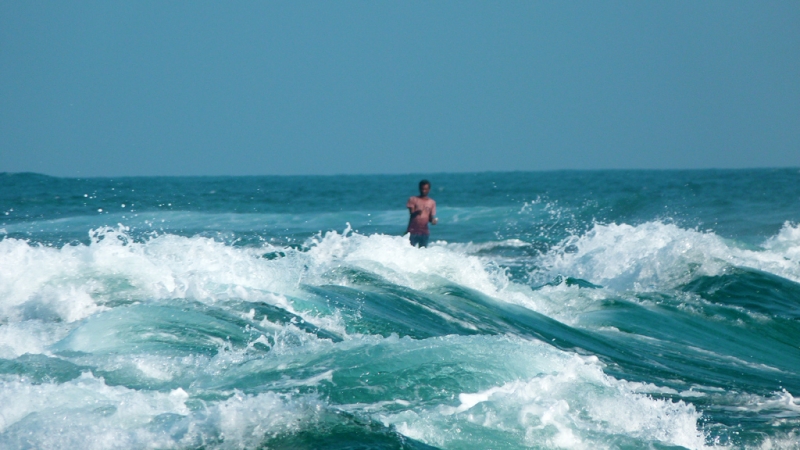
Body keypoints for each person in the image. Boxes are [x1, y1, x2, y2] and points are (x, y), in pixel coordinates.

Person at [406, 179, 438, 247]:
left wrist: (433, 221)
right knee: (410, 251)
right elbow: (411, 213)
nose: (423, 191)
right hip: (412, 231)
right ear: (419, 188)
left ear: (429, 190)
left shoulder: (432, 202)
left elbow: (430, 218)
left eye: (426, 189)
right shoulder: (413, 199)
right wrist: (417, 212)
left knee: (423, 251)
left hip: (424, 232)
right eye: (422, 189)